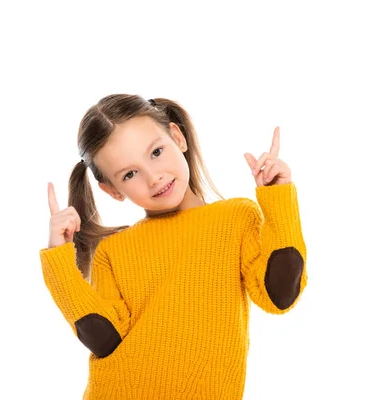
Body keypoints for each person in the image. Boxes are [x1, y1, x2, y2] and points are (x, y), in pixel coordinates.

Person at [39, 94, 308, 399]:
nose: (154, 177)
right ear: (113, 190)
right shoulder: (113, 252)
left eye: (156, 152)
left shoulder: (235, 218)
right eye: (129, 174)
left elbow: (280, 296)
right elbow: (104, 340)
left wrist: (278, 198)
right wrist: (59, 263)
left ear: (177, 137)